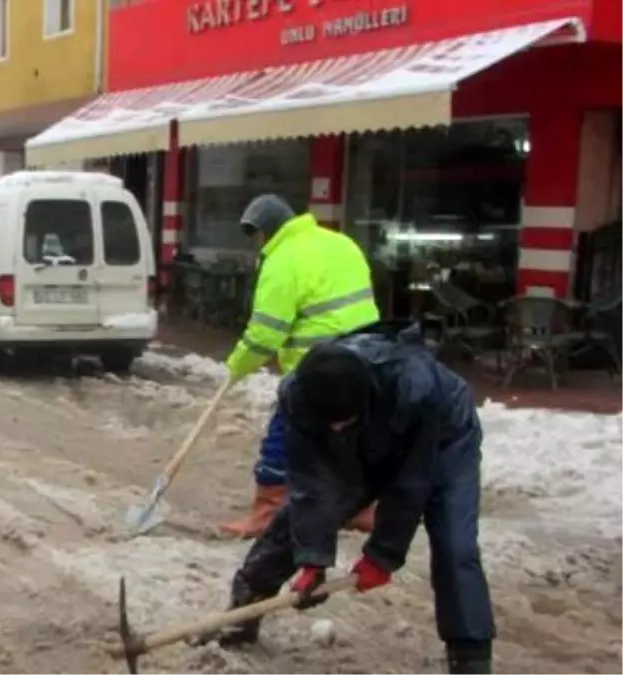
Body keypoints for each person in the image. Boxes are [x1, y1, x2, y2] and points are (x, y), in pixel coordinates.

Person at [204, 326, 495, 675]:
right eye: (333, 425)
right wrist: (313, 558)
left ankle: (470, 655)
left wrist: (383, 555)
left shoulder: (417, 388)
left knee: (454, 544)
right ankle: (245, 606)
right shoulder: (300, 397)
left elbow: (412, 482)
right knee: (295, 517)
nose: (338, 429)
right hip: (369, 433)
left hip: (445, 440)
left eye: (345, 421)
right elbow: (311, 483)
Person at [218, 194, 380, 537]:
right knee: (350, 436)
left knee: (284, 434)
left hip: (318, 370)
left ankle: (268, 511)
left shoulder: (281, 262)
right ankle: (363, 509)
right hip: (369, 359)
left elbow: (265, 335)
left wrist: (236, 366)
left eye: (255, 236)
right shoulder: (341, 243)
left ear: (265, 232)